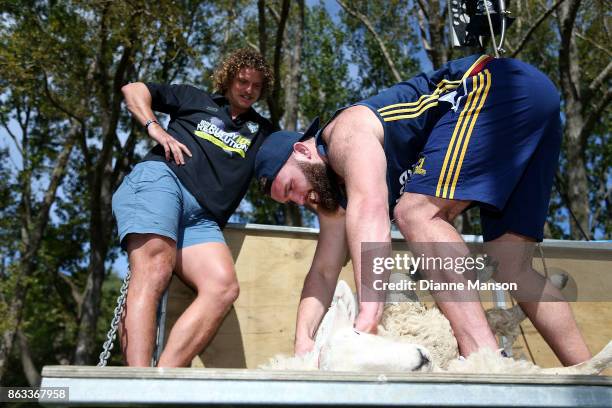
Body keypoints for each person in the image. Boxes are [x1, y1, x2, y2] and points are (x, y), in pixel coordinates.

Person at [254, 54, 592, 365]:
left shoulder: (345, 133)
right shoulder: (334, 198)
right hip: (536, 102)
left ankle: (484, 356)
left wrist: (367, 321)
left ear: (301, 150)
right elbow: (324, 272)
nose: (300, 200)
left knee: (415, 212)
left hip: (494, 84)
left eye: (290, 188)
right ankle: (591, 376)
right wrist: (302, 345)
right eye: (290, 202)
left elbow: (370, 209)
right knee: (509, 263)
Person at [112, 48, 273, 367]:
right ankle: (138, 380)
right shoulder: (193, 98)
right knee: (155, 265)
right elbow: (133, 89)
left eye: (256, 86)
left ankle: (163, 381)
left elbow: (295, 154)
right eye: (242, 81)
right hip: (164, 180)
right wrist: (154, 128)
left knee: (223, 287)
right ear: (228, 79)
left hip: (202, 219)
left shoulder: (263, 133)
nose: (248, 90)